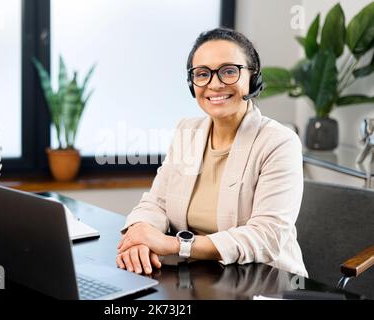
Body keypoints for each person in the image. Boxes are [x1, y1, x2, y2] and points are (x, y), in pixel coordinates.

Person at [116, 27, 308, 278]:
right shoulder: (188, 131)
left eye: (229, 71)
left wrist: (176, 245)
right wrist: (141, 235)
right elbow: (156, 202)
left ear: (253, 77)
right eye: (202, 74)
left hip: (266, 280)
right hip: (200, 277)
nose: (214, 84)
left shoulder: (279, 142)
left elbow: (266, 236)